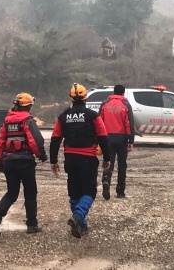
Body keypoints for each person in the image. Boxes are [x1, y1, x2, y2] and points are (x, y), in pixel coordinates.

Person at [50, 83, 110, 238]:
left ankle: (81, 225)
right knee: (89, 191)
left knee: (75, 192)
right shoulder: (92, 116)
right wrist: (107, 158)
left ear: (70, 98)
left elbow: (55, 139)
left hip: (70, 159)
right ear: (85, 98)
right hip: (88, 158)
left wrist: (53, 161)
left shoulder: (62, 117)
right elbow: (103, 137)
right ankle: (78, 216)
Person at [0, 92, 47, 237]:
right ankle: (32, 224)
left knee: (12, 193)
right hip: (25, 161)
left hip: (9, 162)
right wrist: (42, 155)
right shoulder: (28, 120)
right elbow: (35, 140)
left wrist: (1, 161)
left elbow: (1, 143)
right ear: (29, 106)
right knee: (30, 192)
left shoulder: (6, 121)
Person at [99, 84, 135, 200]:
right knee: (122, 164)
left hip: (107, 138)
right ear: (123, 93)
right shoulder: (126, 105)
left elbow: (99, 122)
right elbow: (129, 124)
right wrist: (131, 140)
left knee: (108, 162)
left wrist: (99, 138)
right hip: (122, 138)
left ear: (113, 93)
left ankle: (106, 179)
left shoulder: (105, 104)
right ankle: (120, 190)